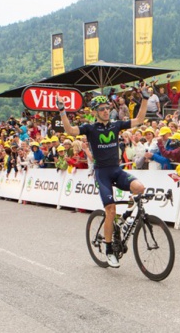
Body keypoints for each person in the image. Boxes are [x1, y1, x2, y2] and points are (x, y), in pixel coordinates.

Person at [58, 94, 147, 268]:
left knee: (140, 188)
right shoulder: (90, 128)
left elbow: (140, 119)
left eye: (108, 108)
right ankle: (108, 250)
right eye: (102, 109)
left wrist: (144, 98)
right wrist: (62, 111)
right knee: (111, 210)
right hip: (101, 173)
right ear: (95, 112)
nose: (106, 111)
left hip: (116, 170)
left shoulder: (116, 125)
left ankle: (127, 218)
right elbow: (70, 131)